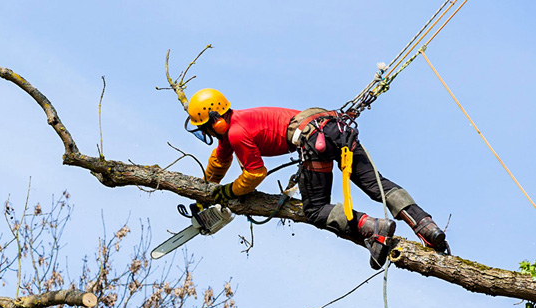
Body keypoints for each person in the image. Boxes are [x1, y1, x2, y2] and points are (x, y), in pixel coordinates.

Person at [185, 88, 448, 268]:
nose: (207, 132)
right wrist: (206, 192)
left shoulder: (236, 132)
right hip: (334, 129)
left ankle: (373, 228)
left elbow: (254, 174)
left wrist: (228, 192)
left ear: (215, 119)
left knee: (315, 209)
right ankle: (426, 226)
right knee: (375, 184)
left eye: (205, 127)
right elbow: (219, 160)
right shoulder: (237, 124)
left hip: (314, 142)